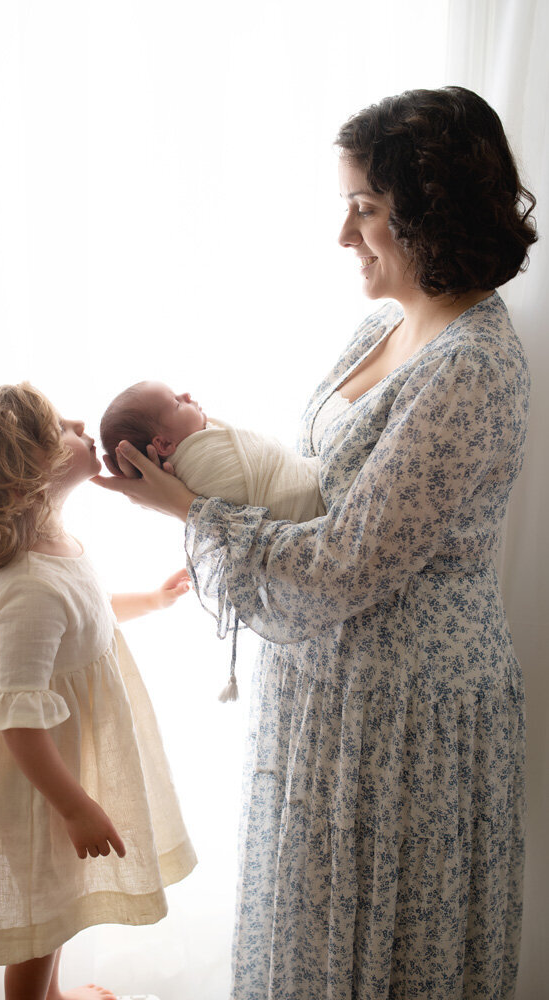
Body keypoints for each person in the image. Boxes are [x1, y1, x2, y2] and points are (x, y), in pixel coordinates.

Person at [93, 86, 536, 1000]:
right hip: (331, 698)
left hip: (401, 715)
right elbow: (310, 487)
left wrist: (190, 511)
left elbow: (344, 564)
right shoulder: (381, 322)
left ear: (429, 211)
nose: (343, 235)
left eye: (364, 210)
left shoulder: (471, 364)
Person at [0, 382, 196, 1000]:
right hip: (40, 781)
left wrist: (152, 602)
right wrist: (74, 806)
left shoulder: (55, 548)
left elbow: (90, 615)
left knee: (60, 900)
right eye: (62, 428)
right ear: (27, 473)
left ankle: (51, 996)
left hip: (67, 760)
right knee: (39, 915)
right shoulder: (26, 587)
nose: (81, 423)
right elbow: (18, 724)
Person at [100, 380, 325, 522]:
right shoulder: (197, 463)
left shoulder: (203, 443)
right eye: (177, 403)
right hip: (309, 505)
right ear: (165, 445)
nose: (186, 395)